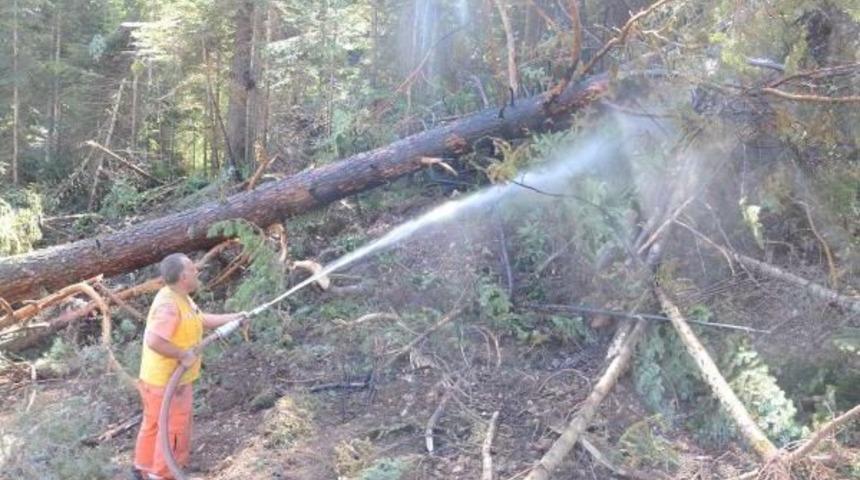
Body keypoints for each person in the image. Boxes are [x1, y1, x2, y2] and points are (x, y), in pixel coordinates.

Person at [132, 253, 246, 480]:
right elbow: (154, 340)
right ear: (184, 276)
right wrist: (182, 355)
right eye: (193, 269)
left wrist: (235, 317)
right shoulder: (169, 305)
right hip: (168, 383)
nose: (197, 272)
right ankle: (163, 475)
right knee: (173, 429)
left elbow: (200, 319)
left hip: (156, 380)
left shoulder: (179, 297)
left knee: (154, 424)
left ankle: (143, 470)